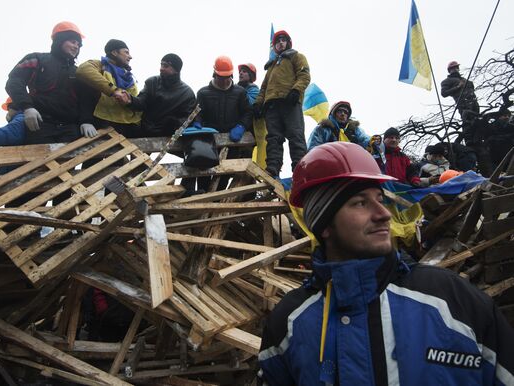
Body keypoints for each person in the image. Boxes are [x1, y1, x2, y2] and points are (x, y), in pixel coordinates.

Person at [259, 141, 514, 385]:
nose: (383, 214)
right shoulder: (288, 323)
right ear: (324, 225)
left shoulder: (454, 302)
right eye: (360, 203)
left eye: (380, 200)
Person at [5, 21, 86, 144]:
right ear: (60, 40)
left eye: (79, 45)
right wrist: (27, 107)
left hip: (69, 129)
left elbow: (85, 99)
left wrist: (86, 121)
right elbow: (15, 81)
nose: (76, 46)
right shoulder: (37, 59)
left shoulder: (79, 72)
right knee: (35, 162)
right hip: (39, 123)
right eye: (72, 42)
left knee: (65, 163)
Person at [183, 56, 252, 193]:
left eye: (228, 77)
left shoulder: (240, 92)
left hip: (232, 138)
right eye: (221, 77)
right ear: (215, 74)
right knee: (204, 169)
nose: (225, 80)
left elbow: (247, 113)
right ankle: (203, 195)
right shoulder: (203, 93)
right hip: (209, 139)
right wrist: (197, 122)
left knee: (225, 172)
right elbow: (198, 112)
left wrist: (241, 126)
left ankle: (218, 197)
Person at [254, 30, 310, 177]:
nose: (280, 43)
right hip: (271, 105)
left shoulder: (297, 57)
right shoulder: (271, 67)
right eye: (277, 41)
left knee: (295, 135)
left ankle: (300, 167)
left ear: (288, 42)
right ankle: (273, 167)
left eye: (283, 40)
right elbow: (263, 87)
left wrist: (296, 90)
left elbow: (304, 75)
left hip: (289, 102)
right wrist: (259, 103)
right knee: (273, 138)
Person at [76, 39, 142, 138]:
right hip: (104, 125)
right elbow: (83, 70)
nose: (130, 57)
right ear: (114, 52)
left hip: (129, 126)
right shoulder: (100, 65)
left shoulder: (128, 76)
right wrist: (114, 91)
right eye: (126, 52)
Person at [126, 53, 196, 137]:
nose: (161, 69)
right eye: (161, 65)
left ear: (176, 70)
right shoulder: (152, 82)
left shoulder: (187, 93)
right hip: (145, 130)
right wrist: (130, 100)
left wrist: (174, 124)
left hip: (169, 135)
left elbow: (188, 118)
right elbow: (142, 102)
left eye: (166, 66)